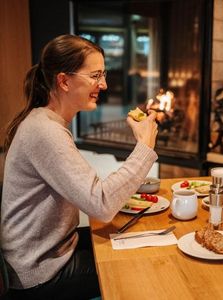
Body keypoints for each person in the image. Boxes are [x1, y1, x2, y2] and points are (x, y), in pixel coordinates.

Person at [1, 34, 158, 299]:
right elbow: (102, 204)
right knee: (141, 267)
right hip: (40, 272)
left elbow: (92, 193)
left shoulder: (47, 123)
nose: (104, 84)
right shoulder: (45, 132)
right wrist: (144, 145)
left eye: (103, 74)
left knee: (137, 241)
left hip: (54, 250)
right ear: (63, 81)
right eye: (95, 75)